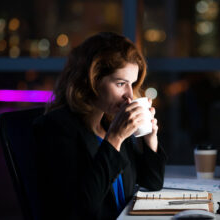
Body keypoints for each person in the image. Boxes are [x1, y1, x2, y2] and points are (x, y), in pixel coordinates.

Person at [33, 32, 166, 220]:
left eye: (132, 83)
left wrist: (150, 138)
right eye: (121, 83)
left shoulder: (109, 122)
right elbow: (79, 210)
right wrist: (115, 139)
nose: (129, 95)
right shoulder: (57, 128)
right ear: (92, 81)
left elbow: (152, 182)